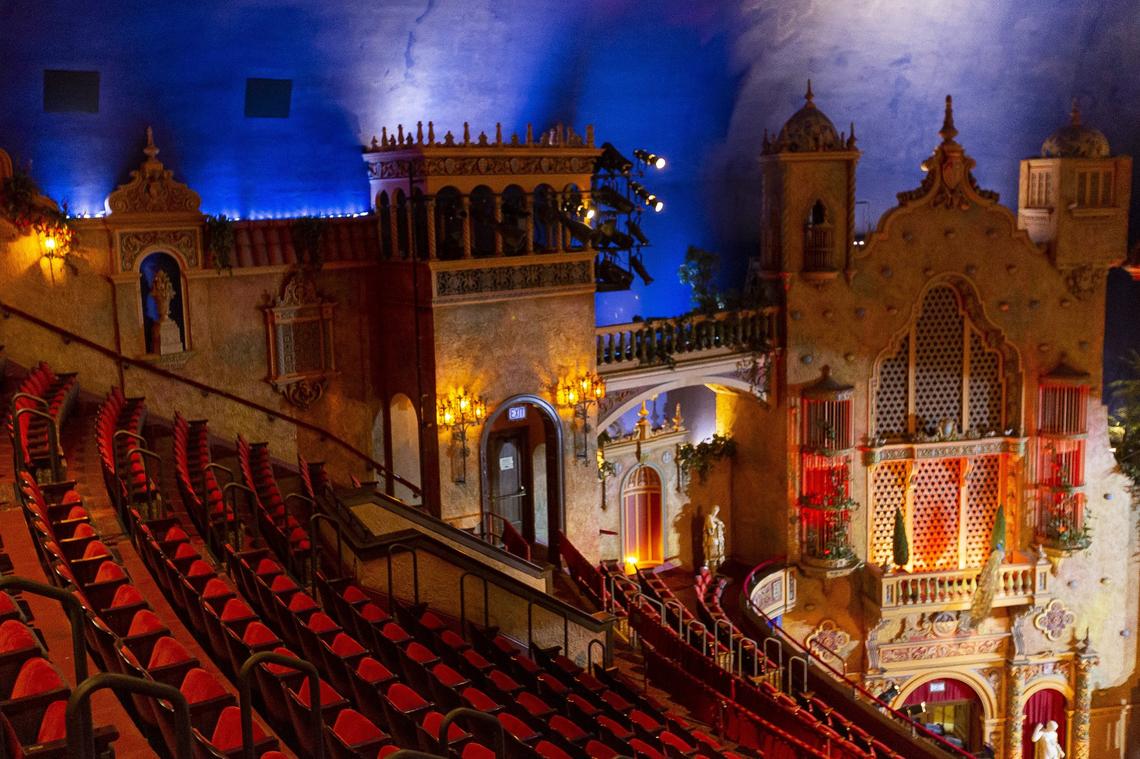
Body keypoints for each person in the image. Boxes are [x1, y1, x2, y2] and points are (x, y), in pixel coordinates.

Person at [703, 505, 726, 572]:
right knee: (711, 557)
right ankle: (711, 573)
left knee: (716, 557)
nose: (715, 512)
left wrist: (721, 524)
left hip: (718, 539)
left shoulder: (716, 518)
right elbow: (711, 528)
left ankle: (714, 572)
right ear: (712, 510)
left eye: (717, 511)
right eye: (715, 510)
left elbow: (723, 527)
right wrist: (718, 523)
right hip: (712, 540)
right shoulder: (709, 517)